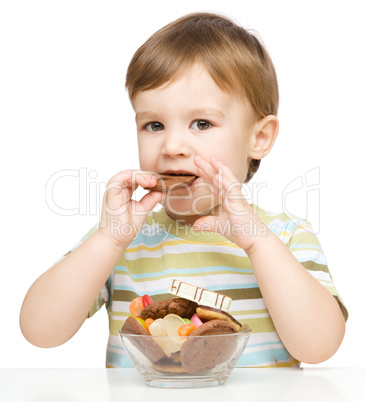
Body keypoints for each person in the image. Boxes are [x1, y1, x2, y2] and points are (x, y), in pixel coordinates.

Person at [19, 11, 347, 368]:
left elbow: (319, 347)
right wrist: (108, 241)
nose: (173, 145)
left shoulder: (285, 237)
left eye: (201, 123)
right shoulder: (124, 240)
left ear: (259, 138)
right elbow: (39, 331)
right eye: (154, 124)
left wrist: (257, 242)